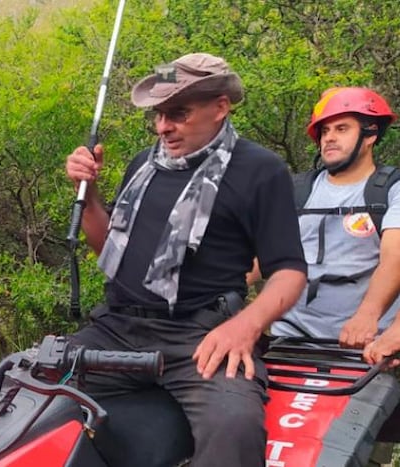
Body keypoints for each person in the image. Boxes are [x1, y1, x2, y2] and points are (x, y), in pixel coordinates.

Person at [64, 52, 307, 467]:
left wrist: (245, 327)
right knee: (26, 392)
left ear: (220, 107)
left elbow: (289, 271)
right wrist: (88, 195)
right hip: (118, 328)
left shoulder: (261, 170)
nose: (163, 127)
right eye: (159, 114)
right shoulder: (144, 165)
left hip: (200, 337)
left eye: (178, 113)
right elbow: (111, 251)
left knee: (235, 426)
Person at [270, 87, 400, 347]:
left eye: (341, 129)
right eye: (325, 131)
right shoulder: (296, 190)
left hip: (363, 341)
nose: (329, 138)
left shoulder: (390, 189)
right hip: (286, 337)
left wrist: (367, 315)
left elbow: (394, 257)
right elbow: (257, 256)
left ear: (370, 134)